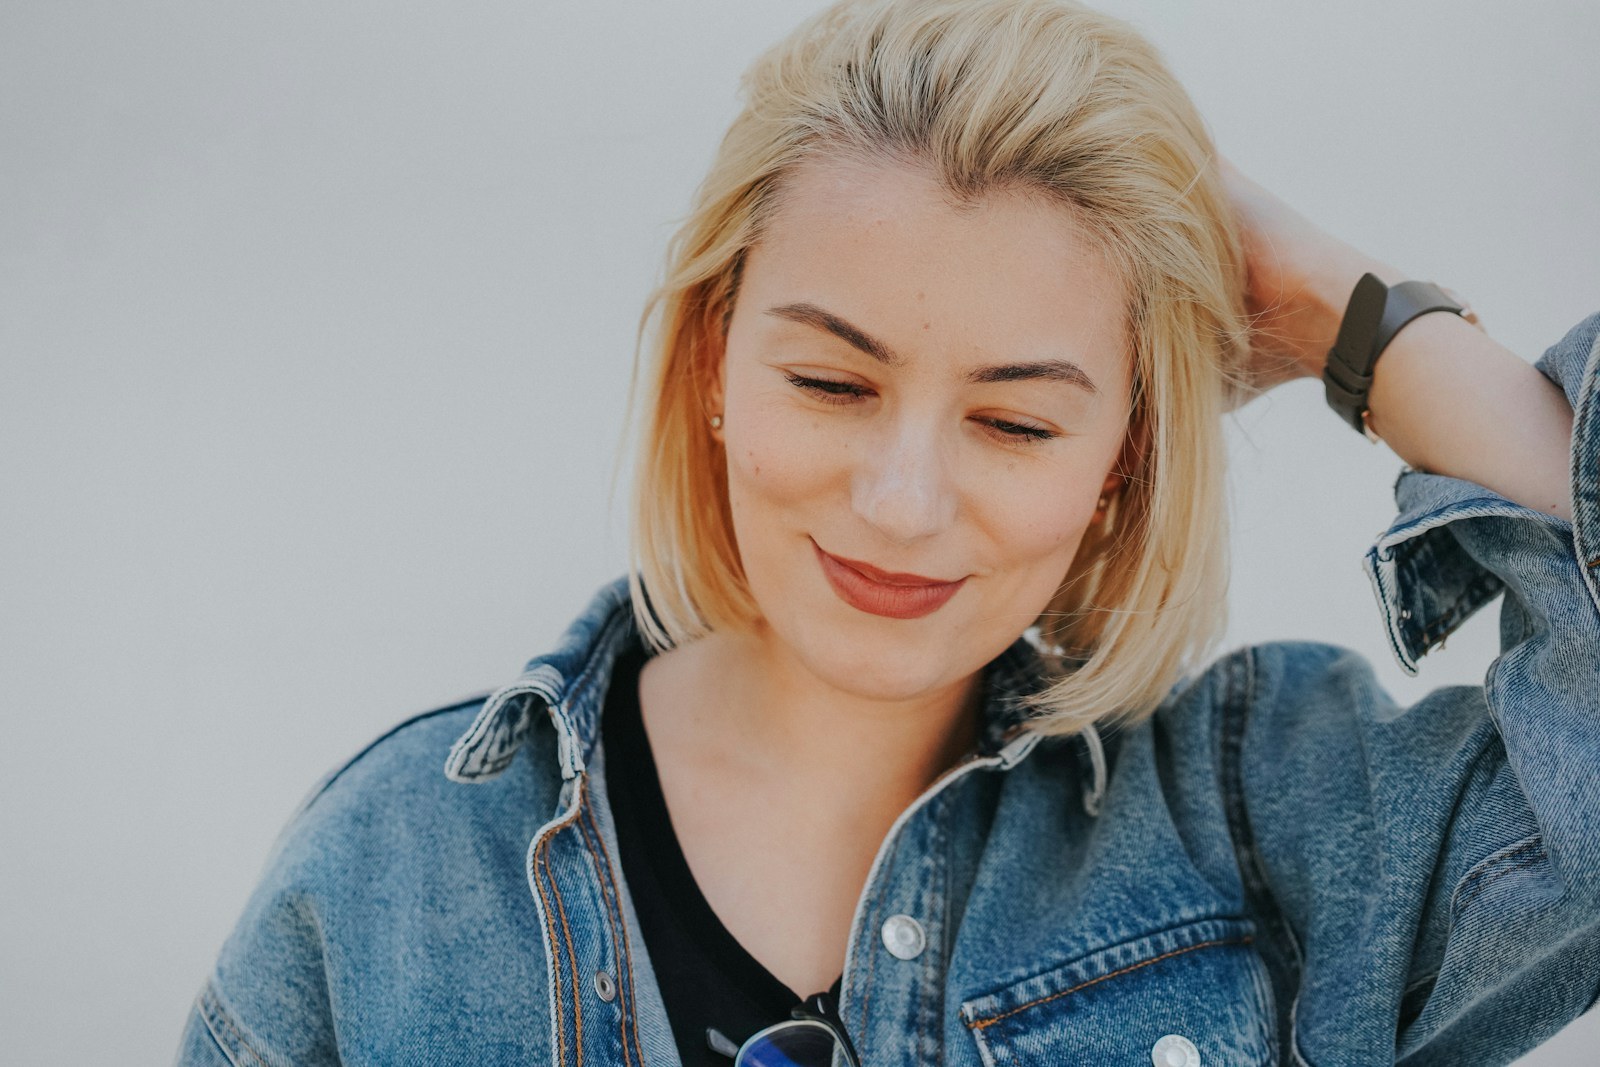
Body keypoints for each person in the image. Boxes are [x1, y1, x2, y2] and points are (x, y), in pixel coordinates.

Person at [174, 1, 1599, 1064]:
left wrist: (1349, 308)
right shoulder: (403, 869)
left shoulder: (1270, 825)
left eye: (1020, 422)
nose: (903, 503)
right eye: (832, 383)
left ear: (1123, 460)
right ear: (713, 372)